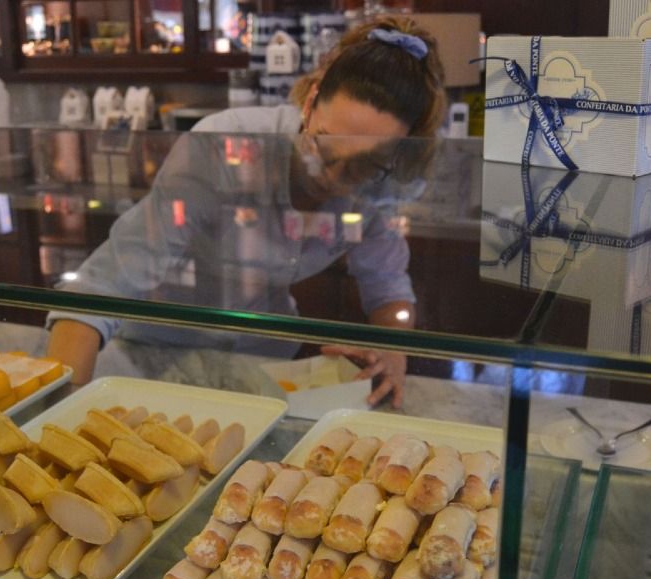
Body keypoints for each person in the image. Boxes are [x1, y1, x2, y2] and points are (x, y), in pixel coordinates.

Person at [47, 16, 446, 408]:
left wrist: (393, 350)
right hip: (157, 350)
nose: (333, 178)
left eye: (364, 165)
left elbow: (388, 286)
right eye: (323, 146)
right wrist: (57, 414)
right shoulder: (222, 148)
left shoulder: (380, 183)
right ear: (310, 102)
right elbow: (104, 286)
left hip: (263, 362)